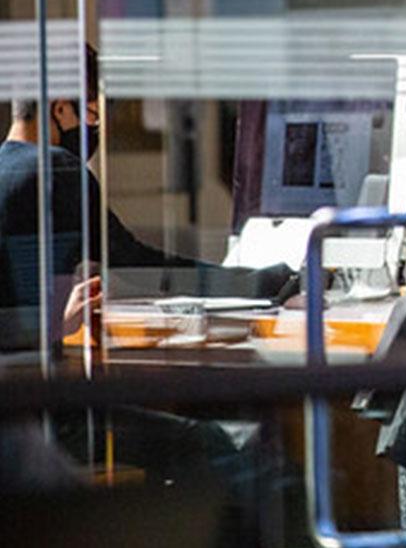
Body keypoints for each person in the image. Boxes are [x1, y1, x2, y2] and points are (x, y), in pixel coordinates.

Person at [0, 44, 292, 350]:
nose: (95, 130)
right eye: (92, 114)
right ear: (60, 109)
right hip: (29, 383)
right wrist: (267, 282)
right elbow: (136, 264)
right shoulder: (56, 170)